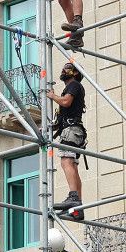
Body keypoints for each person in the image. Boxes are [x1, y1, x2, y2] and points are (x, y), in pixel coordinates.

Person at [49, 62, 87, 217]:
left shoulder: (74, 85)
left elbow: (66, 102)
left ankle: (74, 197)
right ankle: (77, 209)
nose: (63, 69)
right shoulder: (69, 89)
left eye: (67, 67)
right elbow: (59, 121)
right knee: (72, 165)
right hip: (72, 130)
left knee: (66, 161)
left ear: (75, 73)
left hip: (72, 130)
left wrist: (52, 96)